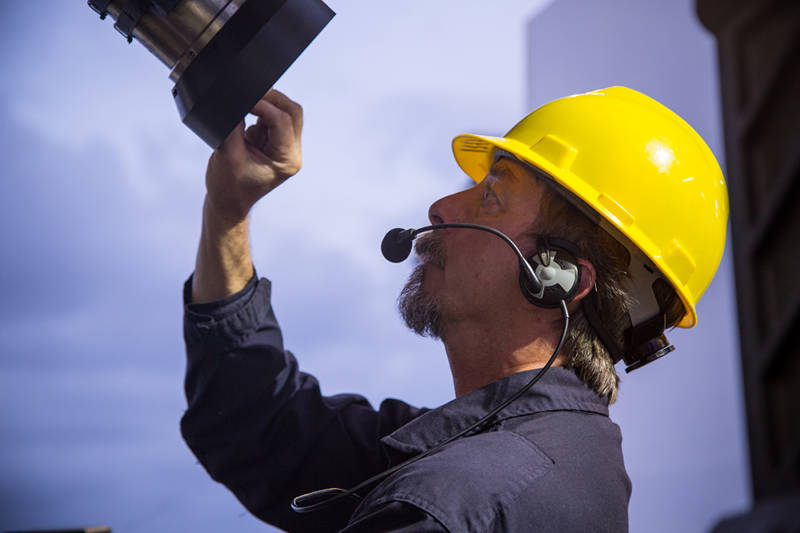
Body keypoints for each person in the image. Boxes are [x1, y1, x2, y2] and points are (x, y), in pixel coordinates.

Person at [180, 86, 728, 532]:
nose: (441, 208)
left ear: (556, 278)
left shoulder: (448, 505)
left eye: (491, 194)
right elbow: (256, 424)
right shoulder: (546, 464)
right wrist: (229, 212)